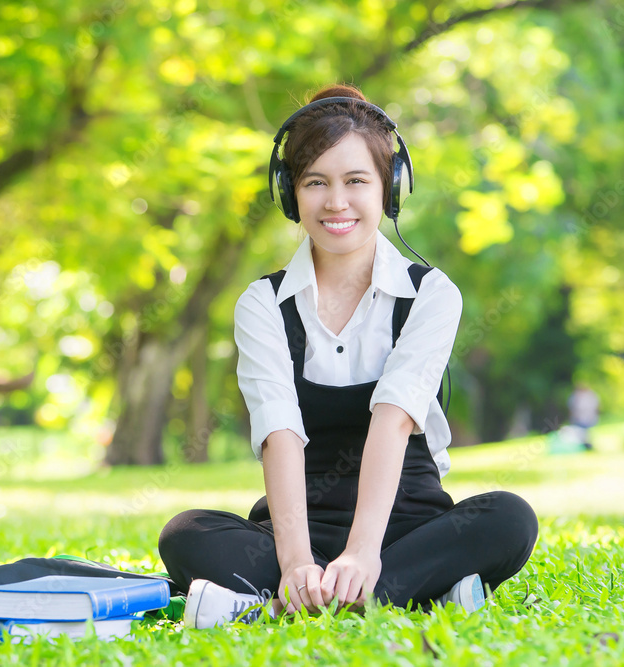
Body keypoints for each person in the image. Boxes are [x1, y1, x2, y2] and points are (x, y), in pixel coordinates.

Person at [158, 83, 538, 629]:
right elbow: (279, 433)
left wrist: (363, 554)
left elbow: (393, 420)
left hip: (403, 525)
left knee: (509, 518)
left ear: (389, 189)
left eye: (356, 181)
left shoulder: (431, 294)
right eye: (316, 182)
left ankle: (281, 606)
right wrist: (294, 563)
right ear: (291, 194)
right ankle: (408, 595)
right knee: (186, 532)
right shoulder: (262, 303)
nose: (336, 202)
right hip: (297, 530)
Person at [567, 384, 600, 450]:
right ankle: (583, 445)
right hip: (578, 419)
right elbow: (571, 409)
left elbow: (596, 407)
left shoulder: (591, 395)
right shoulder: (574, 397)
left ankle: (587, 445)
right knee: (580, 434)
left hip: (588, 418)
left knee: (586, 433)